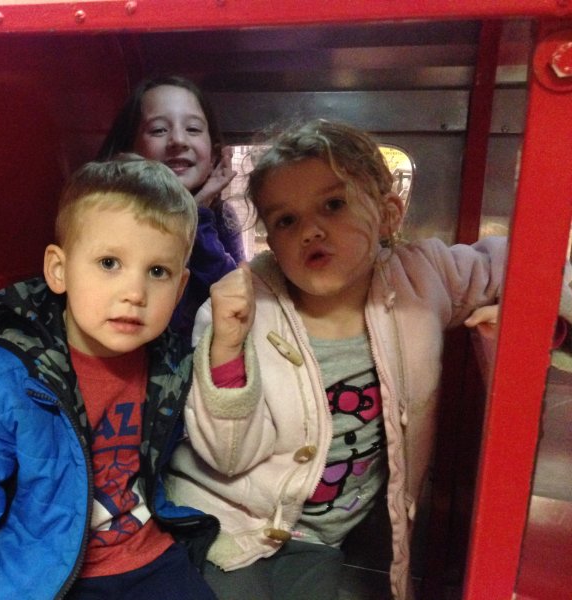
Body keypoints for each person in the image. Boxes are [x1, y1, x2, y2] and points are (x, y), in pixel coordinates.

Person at [165, 119, 572, 600]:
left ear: (388, 215)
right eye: (286, 220)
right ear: (271, 242)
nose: (311, 230)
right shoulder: (244, 310)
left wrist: (535, 318)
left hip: (317, 539)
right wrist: (227, 349)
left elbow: (535, 263)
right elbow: (228, 457)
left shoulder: (424, 277)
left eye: (333, 205)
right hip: (220, 518)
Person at [0, 156, 219, 599]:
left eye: (157, 271)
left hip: (151, 558)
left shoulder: (173, 363)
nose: (134, 293)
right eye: (109, 262)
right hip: (44, 573)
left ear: (180, 289)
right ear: (59, 271)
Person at [97, 75, 245, 341]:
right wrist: (193, 211)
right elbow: (156, 318)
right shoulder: (112, 214)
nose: (178, 140)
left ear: (214, 153)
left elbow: (233, 299)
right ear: (129, 149)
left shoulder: (221, 216)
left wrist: (200, 212)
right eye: (158, 130)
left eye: (193, 129)